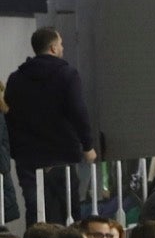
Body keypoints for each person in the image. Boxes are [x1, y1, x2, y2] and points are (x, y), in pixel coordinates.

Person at [5, 28, 95, 224]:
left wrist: (16, 151)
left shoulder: (16, 78)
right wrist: (88, 146)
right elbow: (78, 112)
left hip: (27, 158)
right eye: (61, 44)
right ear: (53, 48)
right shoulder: (67, 75)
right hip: (63, 156)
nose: (62, 48)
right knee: (69, 210)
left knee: (36, 211)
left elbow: (9, 118)